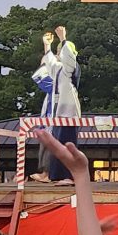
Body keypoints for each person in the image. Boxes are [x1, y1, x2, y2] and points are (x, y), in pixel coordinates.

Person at [34, 25, 82, 183]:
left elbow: (68, 57)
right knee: (58, 144)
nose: (59, 52)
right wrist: (47, 45)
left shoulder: (71, 67)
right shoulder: (60, 68)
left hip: (69, 111)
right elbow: (50, 62)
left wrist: (63, 38)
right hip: (59, 112)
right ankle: (56, 175)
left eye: (62, 50)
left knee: (68, 143)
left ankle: (68, 175)